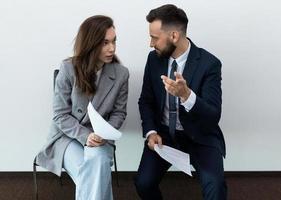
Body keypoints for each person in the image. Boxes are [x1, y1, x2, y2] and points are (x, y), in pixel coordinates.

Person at [134, 4, 227, 200]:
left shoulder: (209, 64)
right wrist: (151, 132)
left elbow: (212, 116)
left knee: (215, 186)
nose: (151, 43)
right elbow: (146, 101)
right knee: (143, 183)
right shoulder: (154, 60)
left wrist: (187, 96)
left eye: (154, 37)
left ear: (174, 36)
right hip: (164, 136)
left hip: (200, 136)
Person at [36, 15, 129, 200]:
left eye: (114, 41)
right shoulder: (68, 68)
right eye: (105, 43)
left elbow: (119, 113)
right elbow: (60, 115)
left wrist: (103, 134)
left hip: (101, 139)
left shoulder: (121, 74)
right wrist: (86, 136)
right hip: (68, 137)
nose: (112, 48)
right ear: (91, 43)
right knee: (96, 172)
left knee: (93, 167)